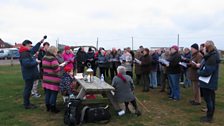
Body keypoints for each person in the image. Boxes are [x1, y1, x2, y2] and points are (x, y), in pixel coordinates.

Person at [197, 41, 220, 123]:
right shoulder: (212, 55)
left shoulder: (212, 57)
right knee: (210, 100)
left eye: (204, 47)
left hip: (208, 82)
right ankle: (209, 116)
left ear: (207, 48)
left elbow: (207, 71)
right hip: (209, 81)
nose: (202, 49)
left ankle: (209, 117)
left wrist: (199, 72)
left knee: (209, 100)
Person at [19, 37, 45, 109]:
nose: (31, 47)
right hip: (28, 75)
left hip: (30, 74)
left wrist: (40, 42)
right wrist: (36, 62)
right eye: (30, 46)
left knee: (28, 89)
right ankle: (26, 104)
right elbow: (27, 64)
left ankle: (27, 103)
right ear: (26, 45)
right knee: (28, 89)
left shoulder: (27, 52)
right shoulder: (24, 54)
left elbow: (34, 49)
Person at [42, 46, 65, 113]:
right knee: (53, 93)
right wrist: (61, 66)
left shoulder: (44, 57)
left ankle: (48, 106)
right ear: (53, 51)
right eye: (56, 51)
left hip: (46, 78)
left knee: (47, 93)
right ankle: (53, 107)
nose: (56, 53)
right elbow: (56, 69)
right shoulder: (53, 59)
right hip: (53, 79)